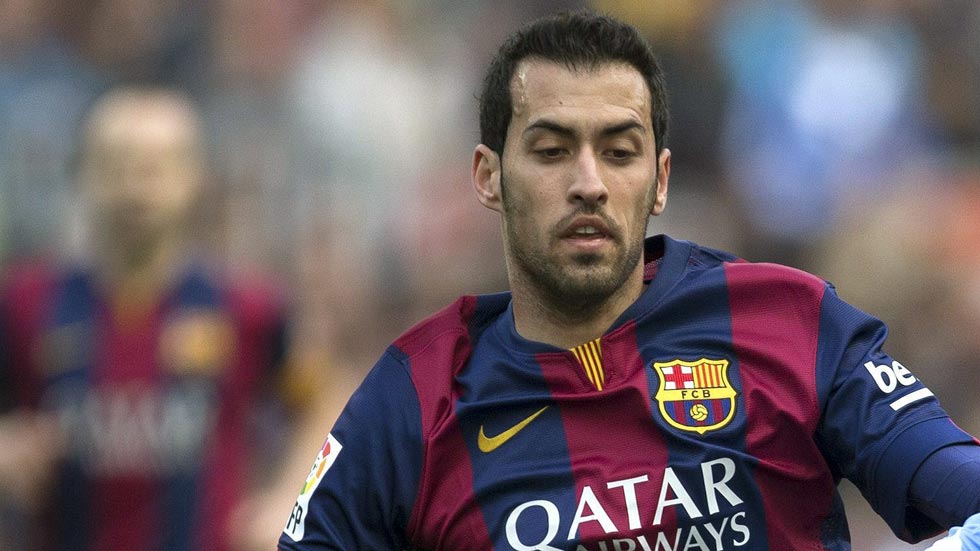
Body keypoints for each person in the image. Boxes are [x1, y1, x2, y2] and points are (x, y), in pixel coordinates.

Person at [277, 11, 980, 551]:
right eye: (552, 151)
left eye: (619, 151)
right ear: (488, 177)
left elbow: (950, 477)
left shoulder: (789, 320)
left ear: (661, 179)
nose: (589, 183)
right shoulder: (413, 397)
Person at [0, 86, 292, 551]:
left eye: (155, 168)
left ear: (195, 177)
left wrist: (290, 497)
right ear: (81, 173)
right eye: (116, 166)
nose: (135, 189)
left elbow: (327, 399)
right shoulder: (24, 303)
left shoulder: (248, 307)